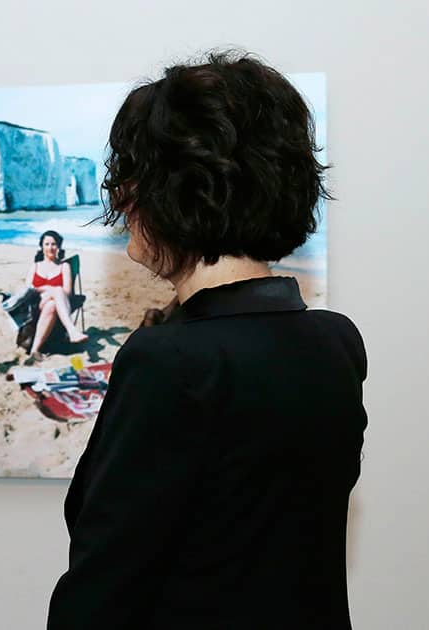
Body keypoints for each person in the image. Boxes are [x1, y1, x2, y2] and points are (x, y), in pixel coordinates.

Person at [48, 52, 367, 629]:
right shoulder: (337, 343)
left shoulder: (168, 363)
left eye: (130, 179)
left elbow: (105, 584)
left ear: (175, 192)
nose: (120, 201)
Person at [23, 230, 88, 363]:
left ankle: (34, 350)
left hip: (59, 305)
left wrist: (52, 292)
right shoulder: (35, 266)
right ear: (41, 246)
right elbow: (28, 290)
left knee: (52, 304)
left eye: (54, 244)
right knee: (57, 289)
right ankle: (71, 331)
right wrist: (47, 289)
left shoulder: (64, 266)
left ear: (58, 247)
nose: (50, 247)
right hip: (36, 305)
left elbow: (68, 292)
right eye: (47, 244)